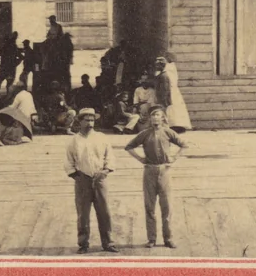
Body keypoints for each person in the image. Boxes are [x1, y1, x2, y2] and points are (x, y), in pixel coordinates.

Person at [124, 105, 187, 248]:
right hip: (149, 171)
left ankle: (168, 238)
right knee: (149, 206)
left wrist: (174, 158)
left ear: (163, 117)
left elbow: (184, 145)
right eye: (152, 116)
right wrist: (140, 159)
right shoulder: (145, 133)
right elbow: (129, 146)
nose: (154, 118)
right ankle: (151, 239)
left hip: (164, 171)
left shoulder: (168, 132)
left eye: (157, 115)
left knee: (167, 206)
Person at [64, 109, 119, 254]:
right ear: (80, 122)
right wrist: (77, 177)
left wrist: (105, 171)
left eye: (92, 120)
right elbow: (68, 162)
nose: (90, 123)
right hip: (83, 179)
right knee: (83, 214)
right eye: (86, 120)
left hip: (100, 178)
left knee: (104, 212)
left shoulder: (101, 137)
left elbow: (110, 157)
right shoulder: (74, 141)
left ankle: (108, 243)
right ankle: (83, 244)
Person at [159, 53, 192, 132]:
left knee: (173, 107)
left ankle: (176, 125)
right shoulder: (169, 68)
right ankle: (174, 125)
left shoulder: (169, 68)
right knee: (174, 107)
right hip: (172, 90)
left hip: (171, 90)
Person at [0, 32, 22, 99]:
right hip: (10, 69)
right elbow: (21, 57)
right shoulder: (13, 47)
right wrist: (15, 64)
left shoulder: (6, 46)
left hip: (4, 68)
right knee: (7, 85)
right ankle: (8, 98)